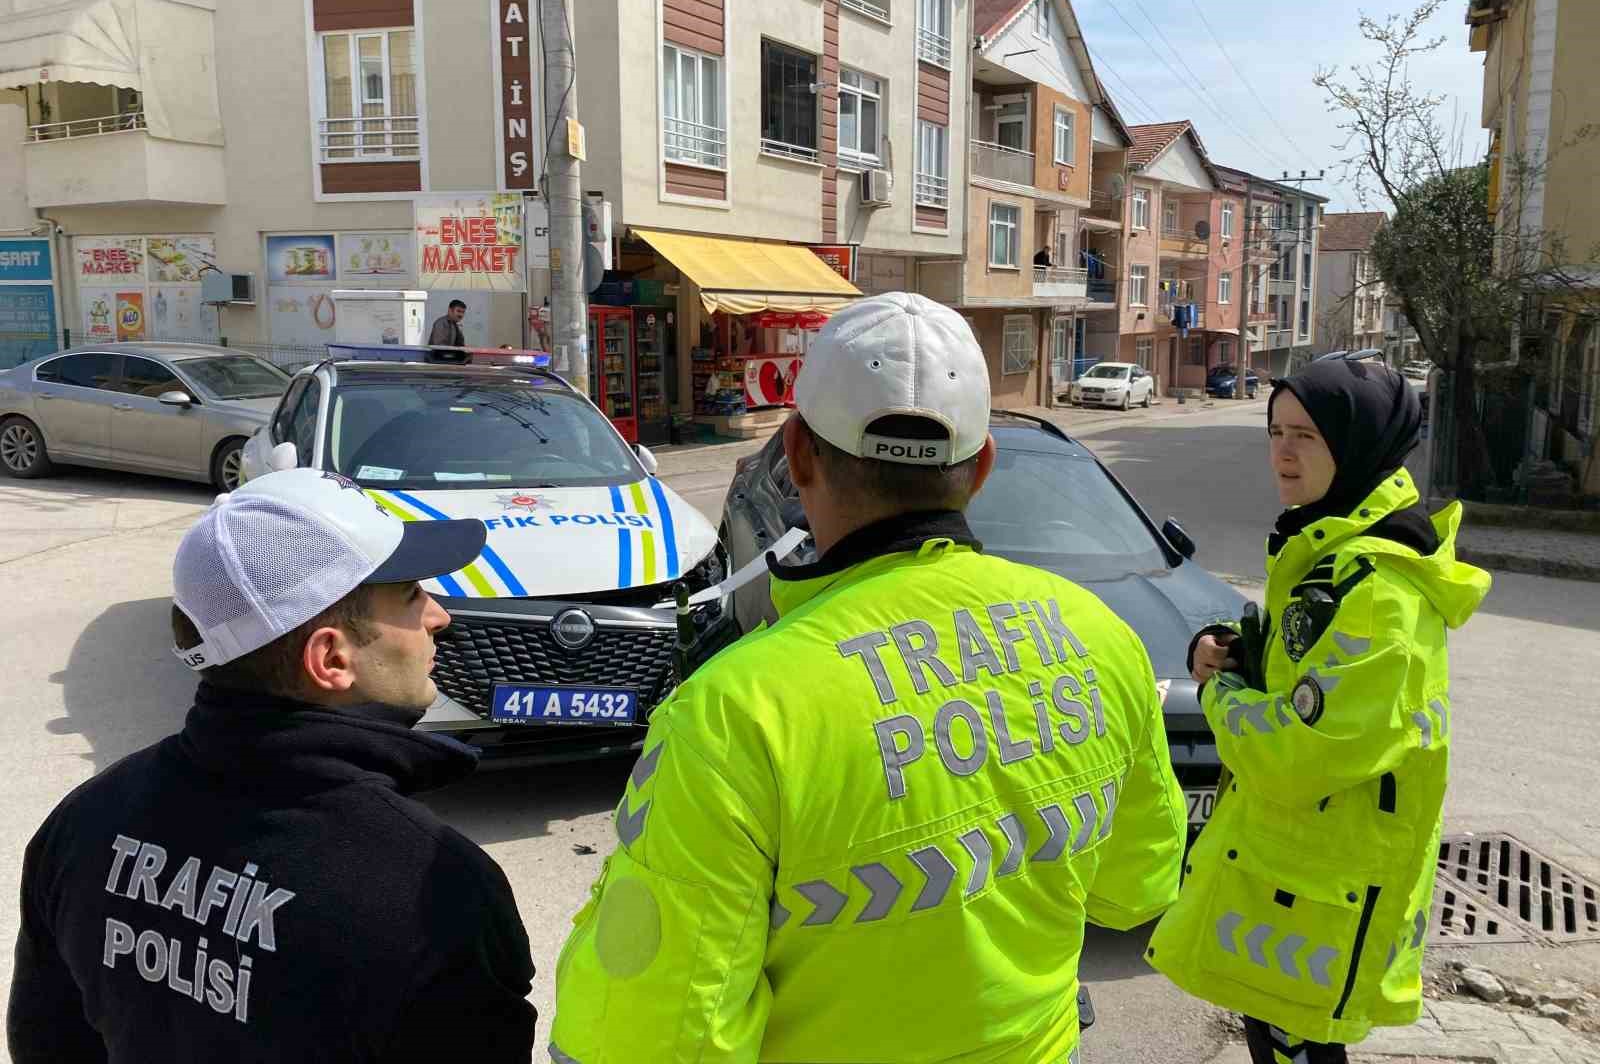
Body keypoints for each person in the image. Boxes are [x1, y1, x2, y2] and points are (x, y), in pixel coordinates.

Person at [551, 292, 1188, 1063]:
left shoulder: (735, 710)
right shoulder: (1101, 638)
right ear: (982, 467)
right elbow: (1137, 890)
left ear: (796, 454)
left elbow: (649, 1034)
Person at [7, 468, 538, 1063]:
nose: (439, 617)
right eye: (411, 595)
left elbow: (46, 1042)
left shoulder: (86, 821)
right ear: (332, 657)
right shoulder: (434, 891)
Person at [1146, 354, 1491, 1064]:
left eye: (1306, 435)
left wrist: (1218, 693)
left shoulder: (1381, 592)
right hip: (1292, 879)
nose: (1282, 452)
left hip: (1324, 897)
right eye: (1274, 431)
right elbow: (1300, 665)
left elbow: (1299, 754)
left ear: (1358, 441)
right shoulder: (1327, 547)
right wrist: (1232, 645)